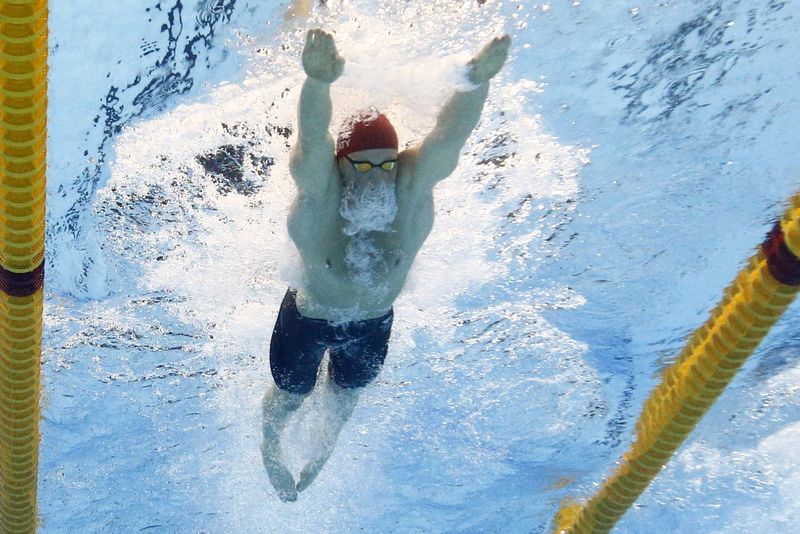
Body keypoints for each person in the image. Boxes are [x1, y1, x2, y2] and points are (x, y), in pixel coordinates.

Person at [262, 28, 510, 502]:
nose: (377, 176)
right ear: (342, 163)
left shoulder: (410, 190)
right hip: (309, 322)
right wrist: (317, 83)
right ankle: (271, 448)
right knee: (290, 398)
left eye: (386, 164)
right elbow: (312, 139)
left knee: (342, 400)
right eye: (364, 165)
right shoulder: (321, 195)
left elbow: (448, 138)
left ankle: (320, 454)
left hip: (374, 325)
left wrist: (476, 82)